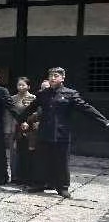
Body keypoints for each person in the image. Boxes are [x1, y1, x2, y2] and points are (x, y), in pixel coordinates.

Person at [18, 67, 109, 198]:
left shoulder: (70, 94)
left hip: (61, 133)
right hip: (44, 132)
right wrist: (20, 119)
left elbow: (86, 108)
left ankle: (62, 187)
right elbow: (30, 109)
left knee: (61, 161)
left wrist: (104, 121)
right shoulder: (43, 94)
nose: (52, 78)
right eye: (50, 76)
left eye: (56, 76)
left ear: (62, 78)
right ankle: (39, 184)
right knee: (41, 160)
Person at [8, 77, 36, 185]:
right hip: (15, 128)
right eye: (19, 85)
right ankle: (15, 176)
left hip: (29, 128)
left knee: (28, 153)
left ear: (28, 86)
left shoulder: (33, 98)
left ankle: (27, 177)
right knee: (14, 153)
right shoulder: (12, 98)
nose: (20, 87)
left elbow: (36, 113)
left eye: (23, 85)